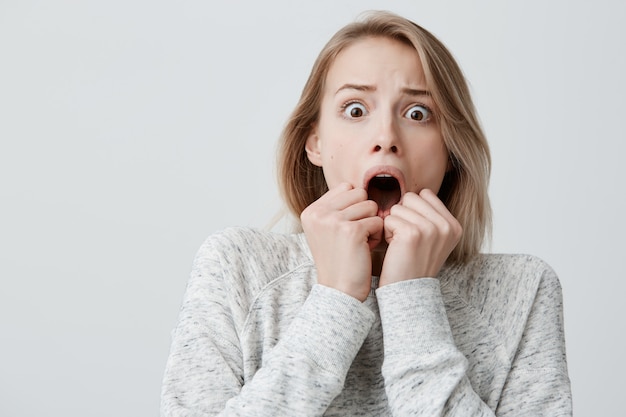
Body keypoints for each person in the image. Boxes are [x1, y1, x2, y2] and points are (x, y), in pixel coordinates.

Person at [160, 10, 572, 416]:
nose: (386, 138)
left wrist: (412, 297)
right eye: (356, 110)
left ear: (451, 151)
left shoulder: (523, 289)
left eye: (417, 113)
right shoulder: (236, 266)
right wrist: (336, 297)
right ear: (314, 143)